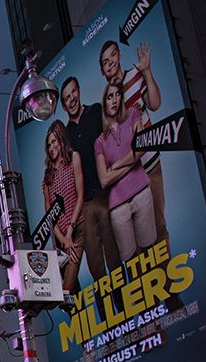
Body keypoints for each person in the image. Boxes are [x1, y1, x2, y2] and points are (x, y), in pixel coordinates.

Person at [98, 39, 167, 249]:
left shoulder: (135, 77)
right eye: (105, 62)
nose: (110, 63)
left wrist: (146, 71)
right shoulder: (107, 99)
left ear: (119, 55)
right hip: (127, 177)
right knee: (136, 240)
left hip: (149, 164)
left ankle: (167, 270)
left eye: (112, 56)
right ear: (101, 70)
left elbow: (154, 104)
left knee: (158, 226)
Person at [61, 76, 121, 286]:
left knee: (115, 257)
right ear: (63, 105)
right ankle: (106, 306)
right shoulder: (65, 135)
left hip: (107, 195)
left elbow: (113, 137)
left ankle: (126, 301)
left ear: (79, 91)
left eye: (73, 92)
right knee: (96, 267)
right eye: (67, 97)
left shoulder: (95, 111)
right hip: (84, 205)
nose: (72, 98)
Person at [95, 78, 155, 262]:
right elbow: (104, 180)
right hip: (118, 206)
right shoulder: (99, 141)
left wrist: (116, 165)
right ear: (104, 102)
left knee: (150, 252)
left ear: (121, 97)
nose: (114, 100)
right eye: (109, 97)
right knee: (130, 261)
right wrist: (131, 162)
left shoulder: (133, 115)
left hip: (142, 193)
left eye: (117, 95)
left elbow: (141, 148)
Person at [42, 119, 84, 293]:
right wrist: (62, 238)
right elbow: (49, 214)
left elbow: (80, 195)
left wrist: (70, 232)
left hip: (77, 228)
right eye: (49, 144)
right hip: (59, 238)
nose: (52, 147)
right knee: (73, 290)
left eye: (54, 142)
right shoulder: (47, 175)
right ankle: (80, 312)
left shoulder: (74, 158)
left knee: (66, 288)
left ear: (61, 141)